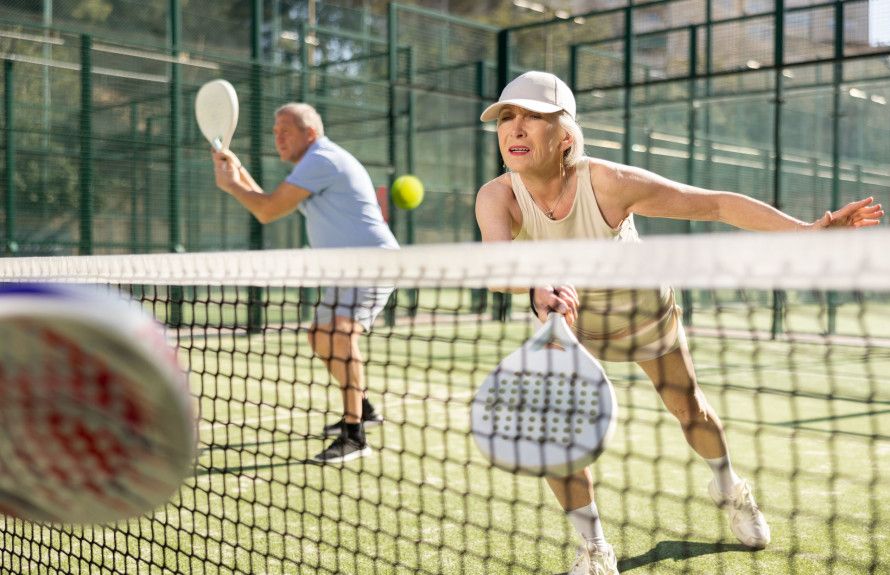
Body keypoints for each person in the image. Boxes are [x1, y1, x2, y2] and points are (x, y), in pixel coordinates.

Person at [474, 71, 883, 575]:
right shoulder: (497, 196)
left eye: (532, 116)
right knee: (559, 431)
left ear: (564, 134)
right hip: (574, 322)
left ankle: (730, 487)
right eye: (506, 118)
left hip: (644, 313)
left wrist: (807, 231)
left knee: (691, 410)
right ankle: (595, 546)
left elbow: (714, 204)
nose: (515, 128)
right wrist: (535, 284)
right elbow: (497, 268)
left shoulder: (607, 182)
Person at [211, 103, 399, 464]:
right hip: (344, 271)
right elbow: (268, 202)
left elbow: (267, 210)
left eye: (286, 131)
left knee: (339, 334)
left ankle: (354, 435)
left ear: (310, 134)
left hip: (371, 263)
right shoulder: (311, 165)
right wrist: (237, 173)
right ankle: (363, 407)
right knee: (320, 335)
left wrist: (232, 185)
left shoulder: (322, 160)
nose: (277, 138)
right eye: (275, 131)